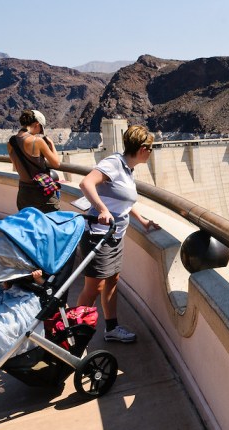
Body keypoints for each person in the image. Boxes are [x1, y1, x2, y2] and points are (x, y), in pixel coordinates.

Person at [75, 125, 161, 343]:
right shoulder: (114, 163)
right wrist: (102, 210)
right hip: (98, 236)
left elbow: (121, 201)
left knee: (113, 280)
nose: (151, 152)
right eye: (150, 148)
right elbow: (86, 183)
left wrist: (142, 221)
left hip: (115, 237)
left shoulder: (127, 169)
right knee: (94, 288)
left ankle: (111, 328)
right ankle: (75, 332)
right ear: (142, 149)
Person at [7, 109, 61, 213]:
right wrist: (52, 145)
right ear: (37, 124)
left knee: (28, 224)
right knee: (50, 223)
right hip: (42, 192)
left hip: (23, 192)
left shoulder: (11, 142)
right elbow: (56, 163)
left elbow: (16, 165)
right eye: (41, 128)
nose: (40, 132)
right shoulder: (37, 141)